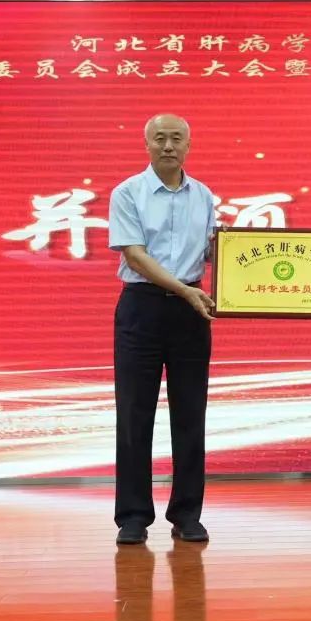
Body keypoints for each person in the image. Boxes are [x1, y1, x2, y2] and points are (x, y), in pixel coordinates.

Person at [108, 113, 217, 545]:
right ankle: (133, 516)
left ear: (189, 145)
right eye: (160, 139)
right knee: (134, 414)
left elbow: (213, 252)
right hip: (142, 308)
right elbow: (134, 256)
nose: (168, 146)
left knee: (190, 414)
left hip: (191, 312)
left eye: (176, 139)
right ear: (147, 144)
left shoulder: (203, 195)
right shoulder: (127, 192)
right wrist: (185, 291)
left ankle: (187, 514)